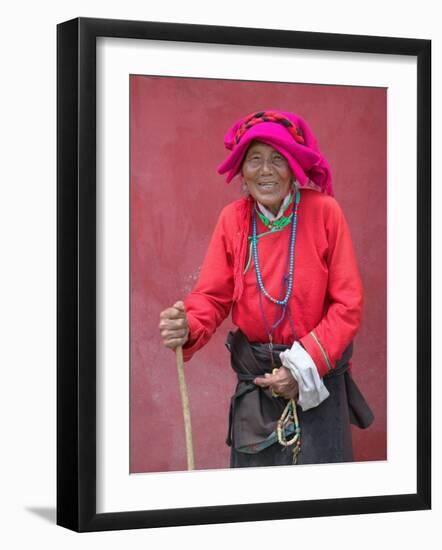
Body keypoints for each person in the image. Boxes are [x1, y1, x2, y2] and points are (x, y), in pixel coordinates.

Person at [159, 110, 373, 468]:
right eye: (255, 159)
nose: (266, 170)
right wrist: (189, 326)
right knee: (254, 506)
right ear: (242, 169)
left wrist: (301, 369)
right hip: (256, 382)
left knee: (319, 503)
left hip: (316, 376)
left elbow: (347, 305)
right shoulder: (233, 220)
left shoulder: (325, 213)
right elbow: (213, 295)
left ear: (293, 168)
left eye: (278, 159)